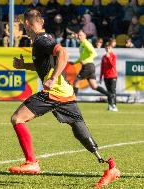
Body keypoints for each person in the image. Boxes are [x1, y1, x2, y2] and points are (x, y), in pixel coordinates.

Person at [8, 10, 120, 188]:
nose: (23, 29)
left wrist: (52, 79)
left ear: (28, 25)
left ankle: (32, 162)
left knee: (17, 118)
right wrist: (24, 65)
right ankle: (110, 166)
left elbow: (63, 54)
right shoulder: (43, 39)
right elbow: (46, 64)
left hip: (54, 93)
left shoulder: (42, 40)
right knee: (81, 133)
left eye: (23, 26)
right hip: (66, 94)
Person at [71, 30, 112, 105]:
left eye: (81, 35)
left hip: (88, 66)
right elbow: (81, 58)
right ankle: (109, 95)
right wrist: (74, 63)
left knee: (76, 81)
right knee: (94, 86)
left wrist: (85, 61)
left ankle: (73, 101)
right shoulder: (81, 44)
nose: (79, 37)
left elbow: (94, 53)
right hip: (90, 66)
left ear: (85, 36)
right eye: (79, 35)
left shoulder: (86, 43)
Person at [100, 43, 118, 111]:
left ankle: (114, 105)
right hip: (106, 76)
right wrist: (101, 76)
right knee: (108, 92)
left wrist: (109, 57)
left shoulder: (113, 56)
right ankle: (110, 105)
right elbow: (102, 67)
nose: (107, 49)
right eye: (106, 48)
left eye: (109, 48)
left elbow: (113, 65)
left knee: (113, 91)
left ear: (111, 49)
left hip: (113, 75)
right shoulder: (104, 57)